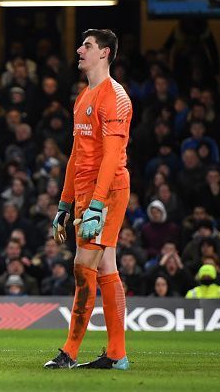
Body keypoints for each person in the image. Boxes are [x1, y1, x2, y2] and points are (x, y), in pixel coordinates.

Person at [46, 29, 131, 370]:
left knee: (84, 269)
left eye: (88, 46)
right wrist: (64, 205)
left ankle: (69, 352)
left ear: (105, 53)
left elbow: (112, 157)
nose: (80, 50)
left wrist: (97, 204)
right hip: (84, 192)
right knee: (106, 266)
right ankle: (116, 355)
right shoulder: (83, 96)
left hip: (106, 191)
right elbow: (75, 156)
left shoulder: (116, 97)